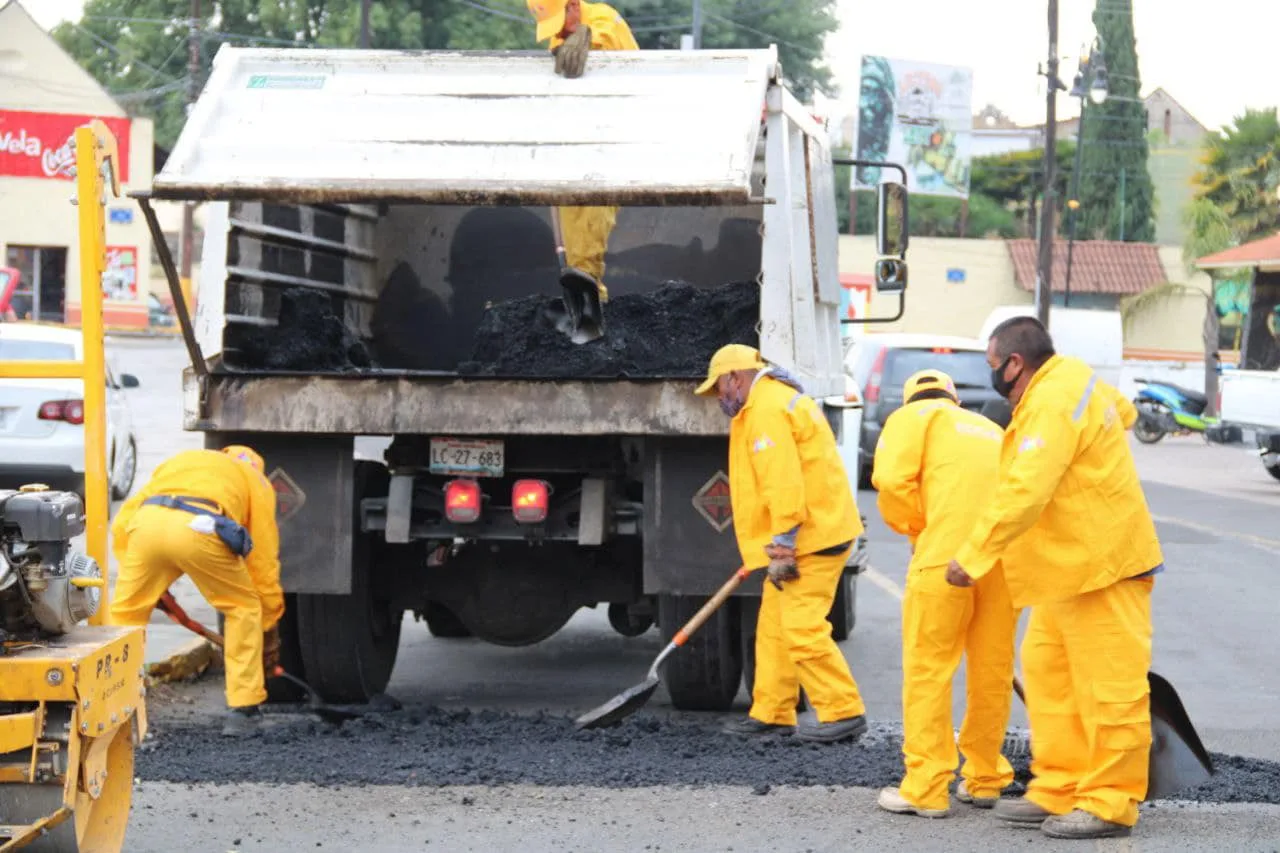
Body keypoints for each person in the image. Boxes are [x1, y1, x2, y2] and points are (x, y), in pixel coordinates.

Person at [947, 316, 1163, 840]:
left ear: (1015, 364)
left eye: (993, 365)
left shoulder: (1051, 401)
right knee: (1048, 677)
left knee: (1108, 688)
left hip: (1104, 566)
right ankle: (1059, 786)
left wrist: (973, 556)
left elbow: (1026, 488)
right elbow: (1127, 412)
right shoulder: (1074, 382)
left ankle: (1110, 802)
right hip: (1067, 569)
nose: (992, 375)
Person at [694, 344, 868, 743]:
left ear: (735, 377)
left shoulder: (767, 410)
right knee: (773, 627)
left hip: (812, 538)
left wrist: (784, 545)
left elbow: (782, 481)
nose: (718, 397)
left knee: (800, 628)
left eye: (719, 388)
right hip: (809, 533)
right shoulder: (765, 404)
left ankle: (844, 711)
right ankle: (772, 713)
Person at [871, 369, 1018, 819]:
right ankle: (986, 777)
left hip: (946, 560)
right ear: (955, 398)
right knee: (992, 671)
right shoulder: (990, 429)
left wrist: (917, 528)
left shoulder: (913, 417)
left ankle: (926, 787)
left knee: (929, 670)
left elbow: (892, 482)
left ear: (911, 398)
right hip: (1002, 563)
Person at [109, 445, 284, 737]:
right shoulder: (255, 480)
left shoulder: (183, 461)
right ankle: (244, 708)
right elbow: (262, 560)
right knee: (242, 608)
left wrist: (148, 582)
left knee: (126, 614)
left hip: (146, 525)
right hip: (199, 527)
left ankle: (114, 705)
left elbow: (123, 521)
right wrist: (268, 622)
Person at [526, 0, 639, 305]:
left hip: (614, 139)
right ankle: (583, 294)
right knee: (570, 207)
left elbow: (604, 33)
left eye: (562, 22)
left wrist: (590, 37)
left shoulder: (605, 20)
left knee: (593, 208)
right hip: (580, 138)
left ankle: (589, 289)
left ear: (574, 6)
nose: (560, 32)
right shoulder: (562, 35)